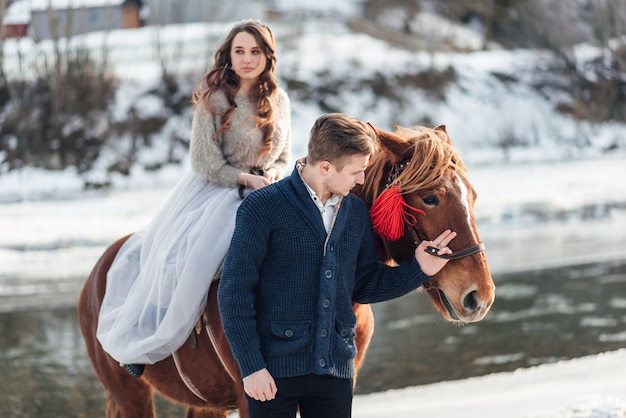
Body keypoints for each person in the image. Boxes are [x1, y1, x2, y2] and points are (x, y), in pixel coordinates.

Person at [218, 112, 457, 417]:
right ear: (326, 167)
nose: (362, 180)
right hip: (273, 373)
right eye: (357, 172)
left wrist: (419, 269)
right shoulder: (262, 207)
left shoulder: (355, 212)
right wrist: (252, 367)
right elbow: (234, 293)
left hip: (334, 373)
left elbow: (364, 283)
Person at [96, 19, 291, 378]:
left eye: (255, 51)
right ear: (228, 56)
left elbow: (282, 155)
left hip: (268, 187)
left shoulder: (278, 100)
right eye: (240, 51)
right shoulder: (214, 98)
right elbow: (204, 162)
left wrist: (274, 174)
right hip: (219, 190)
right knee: (192, 255)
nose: (247, 59)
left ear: (267, 56)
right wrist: (246, 178)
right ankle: (157, 332)